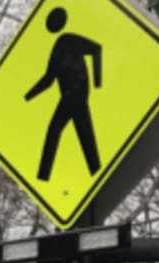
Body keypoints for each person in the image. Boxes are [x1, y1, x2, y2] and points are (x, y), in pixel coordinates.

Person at [24, 7, 102, 181]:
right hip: (70, 98)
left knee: (58, 131)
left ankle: (43, 177)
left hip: (76, 96)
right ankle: (97, 175)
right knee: (83, 138)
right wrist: (27, 97)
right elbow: (48, 80)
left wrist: (97, 83)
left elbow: (96, 49)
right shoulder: (57, 49)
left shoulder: (68, 40)